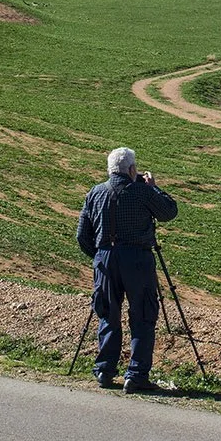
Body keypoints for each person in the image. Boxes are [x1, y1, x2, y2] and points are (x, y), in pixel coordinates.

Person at [76, 146, 178, 393]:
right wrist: (153, 187)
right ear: (132, 169)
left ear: (110, 169)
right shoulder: (143, 192)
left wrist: (99, 256)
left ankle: (105, 370)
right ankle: (136, 374)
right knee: (143, 315)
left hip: (105, 259)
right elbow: (169, 212)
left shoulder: (95, 192)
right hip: (137, 259)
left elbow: (82, 235)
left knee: (107, 313)